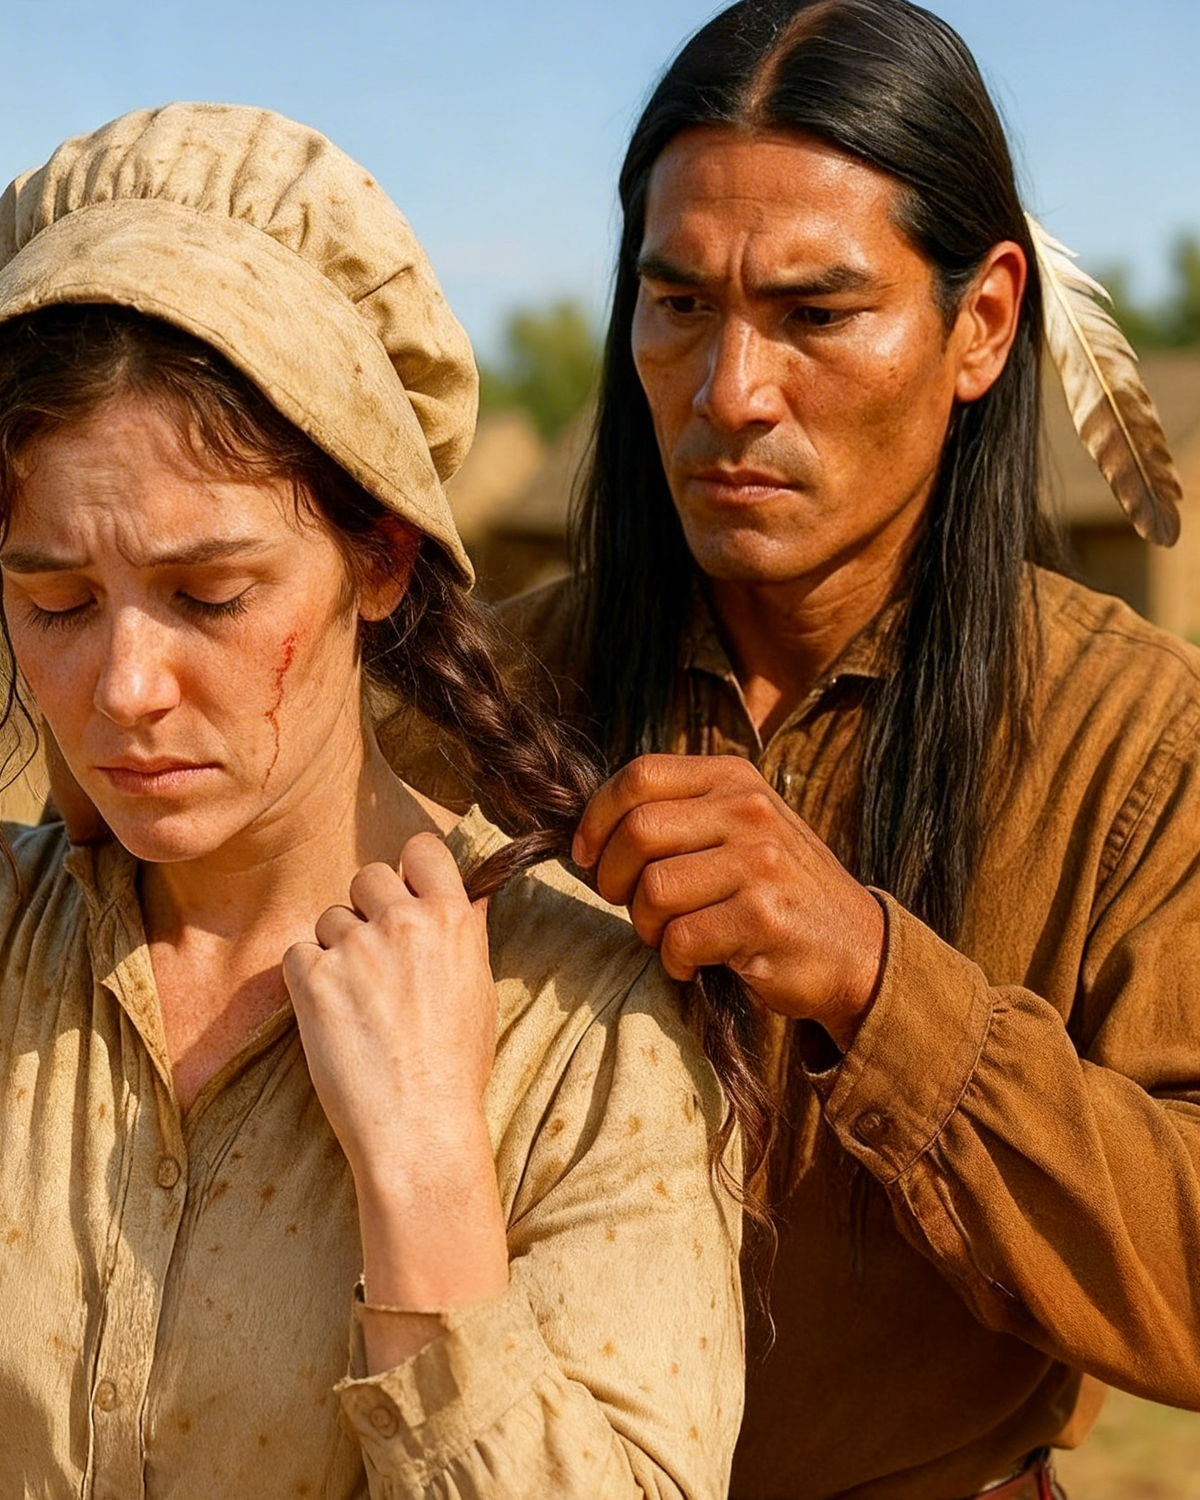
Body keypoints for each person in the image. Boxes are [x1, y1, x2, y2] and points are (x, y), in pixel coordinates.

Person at [386, 1, 1200, 1496]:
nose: (728, 394)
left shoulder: (1137, 743)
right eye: (679, 304)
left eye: (817, 315)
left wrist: (882, 982)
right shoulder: (474, 709)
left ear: (984, 324)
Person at [0, 103, 747, 1499]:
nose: (127, 687)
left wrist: (424, 1178)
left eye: (211, 595)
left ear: (383, 560)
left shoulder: (580, 1032)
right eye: (54, 601)